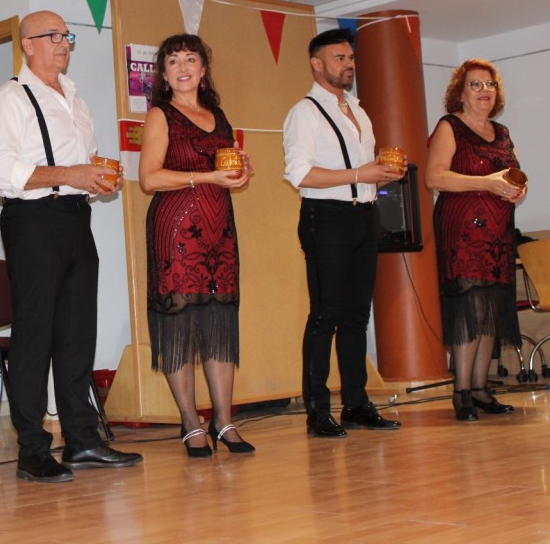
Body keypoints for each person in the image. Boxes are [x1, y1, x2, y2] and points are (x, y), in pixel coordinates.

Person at [0, 10, 143, 483]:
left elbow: (80, 166)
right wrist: (72, 173)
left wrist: (95, 178)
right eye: (52, 36)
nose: (63, 42)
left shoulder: (75, 98)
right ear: (27, 45)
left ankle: (82, 439)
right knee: (35, 337)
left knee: (76, 334)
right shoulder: (9, 98)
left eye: (67, 35)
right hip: (33, 222)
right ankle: (32, 449)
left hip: (76, 218)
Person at [282, 28, 404, 439]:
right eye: (339, 58)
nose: (348, 65)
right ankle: (317, 411)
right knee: (325, 315)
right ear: (317, 64)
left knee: (356, 317)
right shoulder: (304, 112)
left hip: (364, 216)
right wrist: (359, 173)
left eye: (350, 58)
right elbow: (299, 174)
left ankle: (356, 403)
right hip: (327, 217)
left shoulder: (358, 110)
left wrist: (382, 172)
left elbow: (363, 171)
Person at [138, 34, 255, 457]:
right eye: (173, 61)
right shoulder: (160, 115)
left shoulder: (217, 115)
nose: (183, 67)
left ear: (203, 70)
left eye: (191, 59)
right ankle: (190, 423)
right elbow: (149, 178)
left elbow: (225, 168)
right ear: (164, 74)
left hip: (219, 229)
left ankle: (223, 421)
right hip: (176, 231)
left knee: (219, 322)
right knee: (180, 326)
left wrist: (241, 171)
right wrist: (206, 178)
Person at [425, 59, 524, 421]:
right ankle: (462, 390)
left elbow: (513, 175)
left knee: (491, 309)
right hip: (463, 231)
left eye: (490, 85)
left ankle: (481, 388)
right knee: (471, 308)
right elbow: (434, 178)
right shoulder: (449, 126)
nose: (484, 91)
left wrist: (517, 190)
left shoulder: (502, 132)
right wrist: (486, 183)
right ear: (461, 93)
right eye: (475, 85)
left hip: (498, 232)